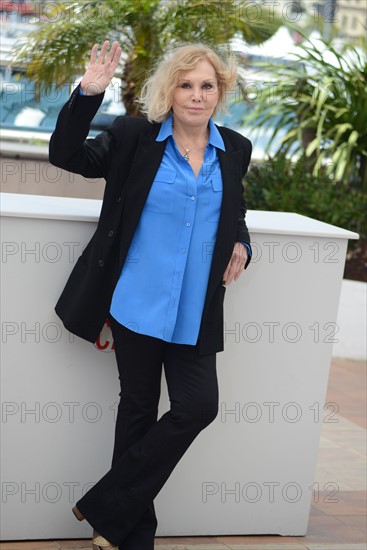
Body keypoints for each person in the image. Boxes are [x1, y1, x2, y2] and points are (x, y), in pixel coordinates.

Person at [49, 40, 252, 550]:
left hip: (196, 308)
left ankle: (103, 506)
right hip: (135, 302)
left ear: (220, 92)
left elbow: (235, 211)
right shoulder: (135, 138)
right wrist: (87, 94)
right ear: (169, 89)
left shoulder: (236, 149)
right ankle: (130, 535)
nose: (197, 95)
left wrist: (243, 243)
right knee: (136, 410)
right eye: (186, 85)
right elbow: (66, 155)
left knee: (198, 405)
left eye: (207, 85)